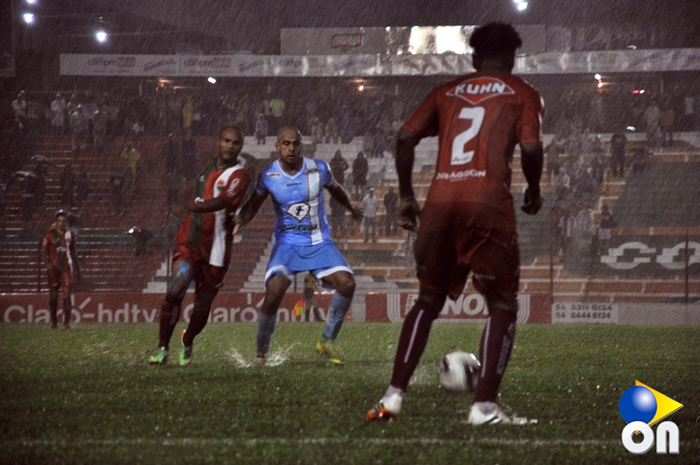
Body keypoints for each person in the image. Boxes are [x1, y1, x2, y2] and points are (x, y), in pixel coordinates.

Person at [366, 22, 544, 425]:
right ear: (512, 59)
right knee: (501, 304)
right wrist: (533, 188)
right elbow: (531, 146)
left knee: (427, 301)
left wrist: (408, 196)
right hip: (487, 207)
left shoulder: (446, 92)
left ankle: (393, 397)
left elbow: (404, 138)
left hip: (440, 206)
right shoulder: (522, 93)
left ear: (474, 58)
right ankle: (483, 407)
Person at [234, 127, 363, 366]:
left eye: (295, 144)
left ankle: (326, 341)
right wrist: (240, 220)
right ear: (277, 146)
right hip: (287, 245)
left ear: (301, 145)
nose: (291, 148)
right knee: (273, 295)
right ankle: (261, 354)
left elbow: (336, 190)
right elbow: (253, 205)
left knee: (347, 283)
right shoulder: (268, 176)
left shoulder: (319, 169)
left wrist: (351, 207)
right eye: (286, 144)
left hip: (319, 242)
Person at [148, 126, 250, 366]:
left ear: (240, 147)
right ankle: (162, 348)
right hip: (190, 241)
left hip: (217, 250)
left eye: (235, 143)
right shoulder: (207, 164)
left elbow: (223, 201)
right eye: (226, 140)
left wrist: (191, 207)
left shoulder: (240, 175)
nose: (230, 145)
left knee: (202, 309)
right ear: (218, 142)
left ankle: (188, 339)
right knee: (175, 291)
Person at [41, 210, 80, 329]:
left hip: (66, 268)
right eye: (59, 221)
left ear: (66, 222)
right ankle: (54, 322)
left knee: (66, 293)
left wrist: (77, 268)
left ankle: (66, 323)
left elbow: (73, 252)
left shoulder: (70, 235)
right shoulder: (49, 235)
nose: (61, 223)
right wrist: (47, 264)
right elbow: (43, 252)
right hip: (53, 269)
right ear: (55, 222)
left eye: (63, 221)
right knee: (53, 296)